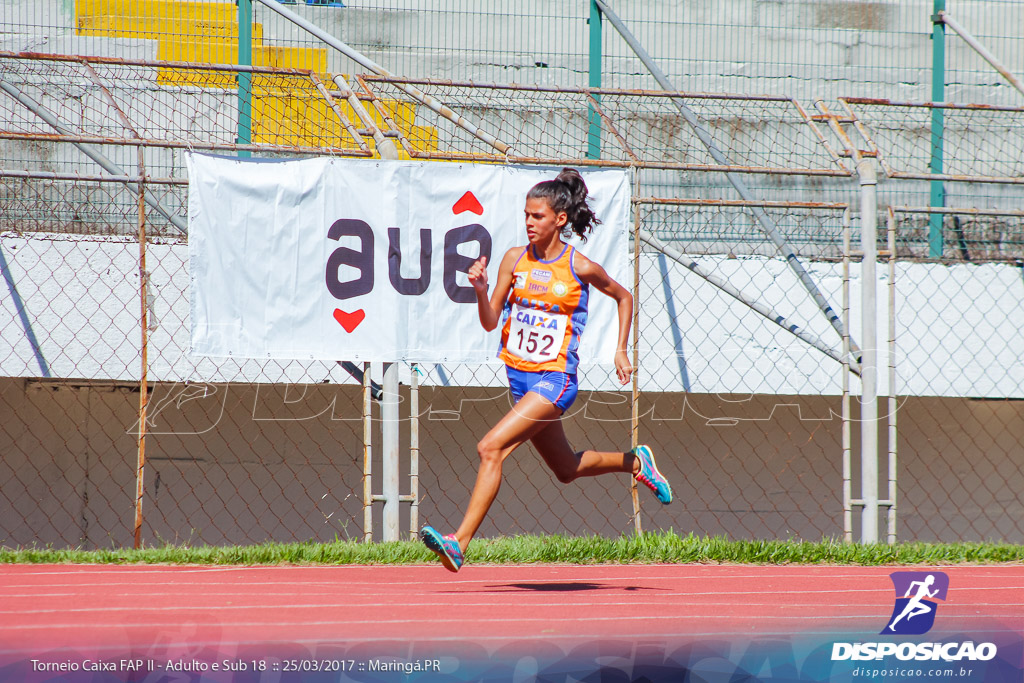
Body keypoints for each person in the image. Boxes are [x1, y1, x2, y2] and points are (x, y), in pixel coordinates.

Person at [420, 168, 673, 572]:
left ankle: (458, 542)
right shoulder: (513, 259)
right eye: (525, 215)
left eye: (537, 216)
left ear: (560, 219)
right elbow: (489, 322)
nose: (529, 223)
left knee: (490, 448)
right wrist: (482, 290)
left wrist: (621, 350)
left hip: (555, 381)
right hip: (520, 382)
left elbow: (623, 297)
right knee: (565, 469)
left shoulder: (580, 266)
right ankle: (635, 462)